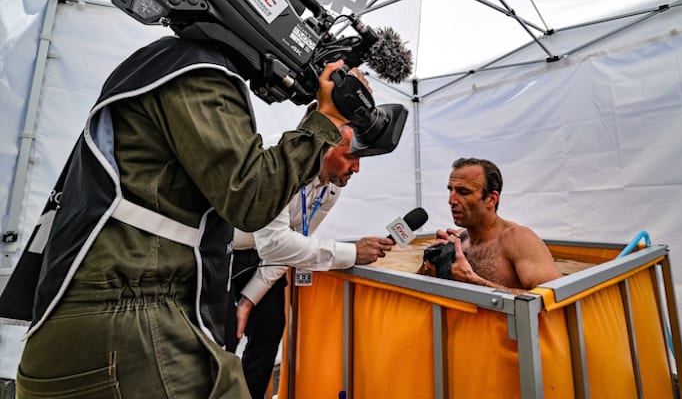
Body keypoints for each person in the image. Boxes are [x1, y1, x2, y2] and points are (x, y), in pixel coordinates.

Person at [0, 35, 353, 398]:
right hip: (128, 314)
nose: (354, 168)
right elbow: (251, 200)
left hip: (125, 312)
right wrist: (324, 120)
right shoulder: (198, 71)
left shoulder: (169, 66)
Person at [224, 124, 393, 398]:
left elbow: (296, 242)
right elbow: (276, 242)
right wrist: (350, 253)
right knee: (226, 337)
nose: (357, 168)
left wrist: (248, 300)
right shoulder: (281, 159)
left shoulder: (334, 186)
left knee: (270, 328)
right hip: (224, 250)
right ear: (324, 148)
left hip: (268, 254)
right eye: (351, 156)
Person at [419, 157, 562, 293]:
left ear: (491, 199)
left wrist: (472, 281)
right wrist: (432, 267)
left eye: (463, 192)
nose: (451, 200)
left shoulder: (518, 239)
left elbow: (552, 300)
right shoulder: (458, 240)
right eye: (451, 190)